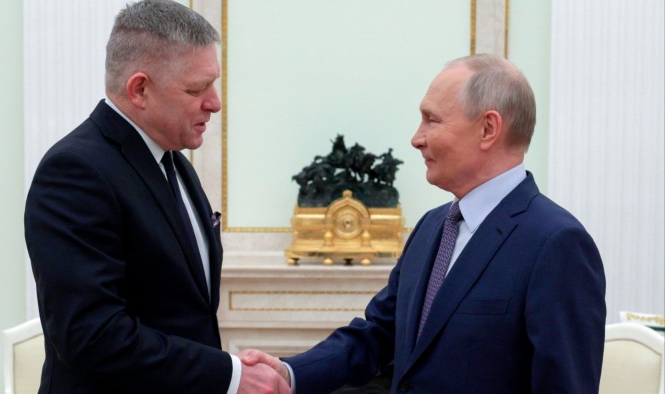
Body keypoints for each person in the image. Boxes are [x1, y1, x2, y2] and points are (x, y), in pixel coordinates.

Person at [241, 54, 607, 393]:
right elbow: (378, 335)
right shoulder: (433, 227)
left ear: (488, 129)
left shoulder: (557, 243)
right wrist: (289, 374)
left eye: (432, 119)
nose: (417, 138)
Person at [24, 1, 290, 393]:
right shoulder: (75, 171)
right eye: (197, 88)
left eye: (213, 84)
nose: (214, 102)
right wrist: (229, 375)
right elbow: (91, 335)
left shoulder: (174, 161)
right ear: (140, 89)